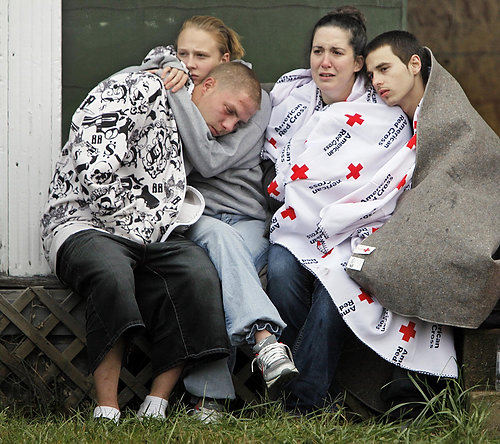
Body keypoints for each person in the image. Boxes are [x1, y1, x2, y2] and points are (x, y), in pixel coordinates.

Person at [98, 15, 297, 421]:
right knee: (211, 263)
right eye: (181, 53)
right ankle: (262, 341)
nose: (188, 63)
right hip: (195, 217)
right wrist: (159, 71)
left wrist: (171, 90)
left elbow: (209, 159)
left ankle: (208, 398)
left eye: (200, 56)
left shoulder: (250, 99)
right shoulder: (178, 87)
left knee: (220, 265)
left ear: (223, 60)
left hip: (243, 218)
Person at [40, 61, 262, 423]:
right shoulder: (140, 89)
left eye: (237, 124)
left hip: (147, 235)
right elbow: (93, 167)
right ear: (205, 87)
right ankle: (107, 406)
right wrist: (140, 232)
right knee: (111, 271)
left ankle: (157, 403)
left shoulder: (189, 126)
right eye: (229, 112)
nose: (227, 127)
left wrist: (150, 233)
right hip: (82, 222)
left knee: (198, 271)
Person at [262, 7, 458, 414]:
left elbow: (387, 180)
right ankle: (317, 386)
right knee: (280, 271)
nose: (325, 62)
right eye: (318, 51)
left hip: (360, 229)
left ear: (357, 62)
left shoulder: (382, 113)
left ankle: (303, 403)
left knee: (335, 285)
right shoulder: (289, 101)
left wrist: (343, 213)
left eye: (336, 52)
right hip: (298, 227)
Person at [357, 33, 499, 333]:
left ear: (414, 64)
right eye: (371, 75)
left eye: (384, 69)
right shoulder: (390, 120)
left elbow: (463, 179)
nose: (377, 81)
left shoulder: (448, 116)